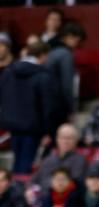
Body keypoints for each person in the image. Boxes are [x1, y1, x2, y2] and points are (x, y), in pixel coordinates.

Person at [0, 41, 63, 174]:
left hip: (12, 126)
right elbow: (48, 107)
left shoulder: (7, 72)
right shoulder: (44, 76)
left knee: (17, 163)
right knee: (27, 166)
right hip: (33, 129)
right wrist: (48, 131)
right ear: (43, 55)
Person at [32, 123, 88, 192]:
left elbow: (75, 183)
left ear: (76, 141)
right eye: (63, 137)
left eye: (69, 138)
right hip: (43, 198)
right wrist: (29, 191)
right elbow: (33, 180)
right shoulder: (48, 160)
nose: (65, 141)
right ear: (57, 139)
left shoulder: (80, 161)